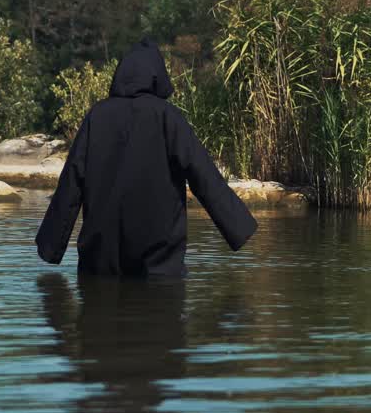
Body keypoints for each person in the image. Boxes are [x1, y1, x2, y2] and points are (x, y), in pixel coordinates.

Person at [36, 38, 257, 275]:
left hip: (100, 261)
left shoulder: (97, 116)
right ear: (157, 76)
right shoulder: (167, 117)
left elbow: (71, 182)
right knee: (159, 296)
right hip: (158, 260)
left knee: (98, 295)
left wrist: (51, 246)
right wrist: (238, 226)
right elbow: (203, 176)